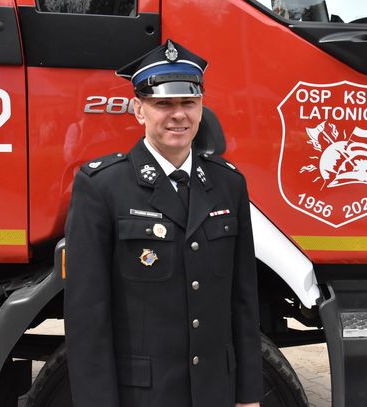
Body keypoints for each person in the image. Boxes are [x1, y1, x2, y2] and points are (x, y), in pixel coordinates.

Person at [64, 39, 263, 407]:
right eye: (163, 104)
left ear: (201, 107)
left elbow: (244, 301)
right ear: (139, 110)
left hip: (215, 393)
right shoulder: (102, 186)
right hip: (143, 396)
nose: (178, 115)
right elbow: (88, 318)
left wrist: (249, 395)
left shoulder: (228, 183)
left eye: (188, 102)